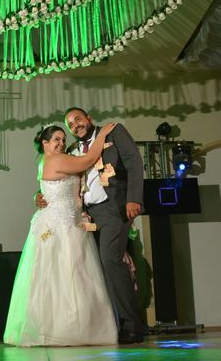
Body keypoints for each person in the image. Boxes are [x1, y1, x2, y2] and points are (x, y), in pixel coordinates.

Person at [36, 107, 147, 344]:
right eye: (70, 125)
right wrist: (39, 194)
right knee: (94, 270)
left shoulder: (112, 133)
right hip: (86, 217)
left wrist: (134, 198)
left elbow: (134, 162)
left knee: (110, 260)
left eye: (78, 119)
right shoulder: (73, 150)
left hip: (113, 208)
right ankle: (109, 326)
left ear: (89, 118)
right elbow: (58, 178)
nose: (75, 126)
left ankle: (133, 326)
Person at [4, 123, 119, 346]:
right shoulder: (56, 160)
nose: (62, 143)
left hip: (67, 220)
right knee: (68, 273)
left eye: (63, 139)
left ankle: (70, 326)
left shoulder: (49, 161)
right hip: (60, 225)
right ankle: (68, 329)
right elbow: (86, 161)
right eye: (56, 139)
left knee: (66, 274)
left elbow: (51, 188)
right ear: (45, 143)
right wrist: (103, 133)